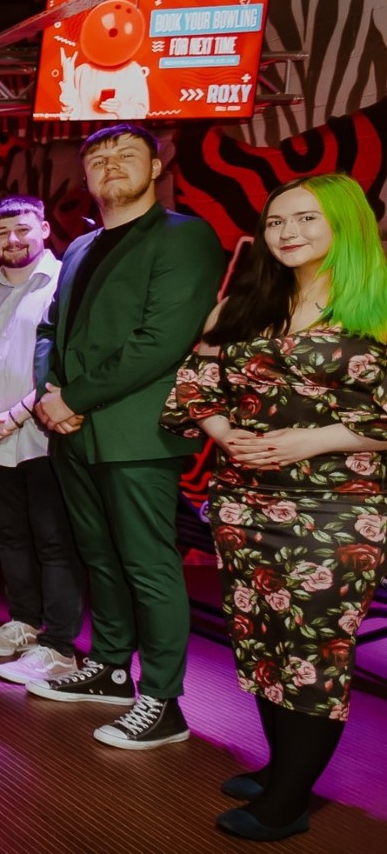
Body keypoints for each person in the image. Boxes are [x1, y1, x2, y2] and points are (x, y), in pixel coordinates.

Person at [162, 173, 387, 841]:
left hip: (337, 511)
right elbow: (192, 385)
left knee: (312, 652)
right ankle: (280, 765)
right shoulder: (247, 303)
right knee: (262, 641)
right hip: (242, 503)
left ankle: (286, 801)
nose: (286, 233)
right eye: (275, 222)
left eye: (305, 219)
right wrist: (225, 434)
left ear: (343, 224)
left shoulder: (374, 305)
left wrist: (316, 437)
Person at [27, 124, 224, 750]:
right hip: (75, 433)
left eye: (126, 155)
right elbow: (49, 331)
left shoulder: (184, 238)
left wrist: (73, 400)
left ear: (157, 168)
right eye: (98, 158)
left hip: (137, 435)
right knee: (101, 559)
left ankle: (163, 700)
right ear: (85, 176)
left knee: (148, 566)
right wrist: (48, 396)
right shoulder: (83, 248)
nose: (110, 166)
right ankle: (112, 668)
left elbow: (160, 342)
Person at [0, 195, 83, 684]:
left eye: (22, 229)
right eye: (3, 232)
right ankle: (25, 622)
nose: (13, 239)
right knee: (11, 535)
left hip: (45, 434)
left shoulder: (63, 287)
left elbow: (68, 362)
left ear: (44, 229)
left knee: (55, 539)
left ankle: (60, 644)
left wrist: (16, 412)